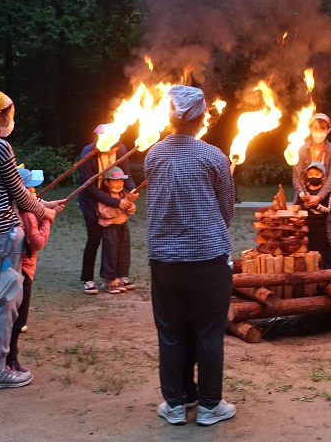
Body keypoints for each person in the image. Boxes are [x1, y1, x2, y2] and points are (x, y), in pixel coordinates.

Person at [0, 90, 64, 391]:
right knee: (4, 301)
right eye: (11, 114)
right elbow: (20, 195)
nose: (12, 120)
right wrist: (46, 213)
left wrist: (42, 205)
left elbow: (4, 192)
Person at [145, 85, 237, 426]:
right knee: (208, 332)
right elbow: (226, 208)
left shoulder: (154, 155)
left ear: (170, 117)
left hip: (165, 262)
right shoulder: (214, 157)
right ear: (200, 118)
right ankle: (210, 405)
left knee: (171, 333)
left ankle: (176, 402)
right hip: (207, 259)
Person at [78, 125, 139, 295]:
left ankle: (117, 276)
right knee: (94, 239)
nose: (113, 151)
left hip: (114, 200)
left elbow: (126, 174)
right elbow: (89, 187)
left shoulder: (121, 150)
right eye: (111, 148)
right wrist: (116, 202)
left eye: (115, 148)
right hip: (92, 203)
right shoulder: (88, 154)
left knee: (116, 240)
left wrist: (132, 190)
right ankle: (88, 279)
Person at [6, 167, 52, 372]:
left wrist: (47, 208)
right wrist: (47, 220)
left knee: (10, 314)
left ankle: (5, 357)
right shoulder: (27, 214)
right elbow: (37, 242)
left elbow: (38, 204)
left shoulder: (12, 207)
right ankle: (10, 359)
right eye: (31, 188)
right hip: (23, 269)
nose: (35, 191)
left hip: (11, 266)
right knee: (18, 317)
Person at [292, 113, 331, 268]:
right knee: (301, 234)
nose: (318, 132)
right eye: (315, 128)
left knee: (329, 236)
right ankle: (304, 269)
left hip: (325, 199)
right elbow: (297, 175)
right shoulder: (302, 149)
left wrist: (319, 197)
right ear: (310, 129)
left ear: (328, 130)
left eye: (322, 129)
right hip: (304, 199)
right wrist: (302, 193)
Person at [97, 166, 137, 294]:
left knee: (124, 252)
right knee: (110, 253)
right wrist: (121, 206)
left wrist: (129, 204)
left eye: (121, 181)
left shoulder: (123, 195)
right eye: (115, 181)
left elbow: (131, 210)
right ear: (106, 182)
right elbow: (105, 213)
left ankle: (122, 276)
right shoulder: (104, 197)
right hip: (110, 228)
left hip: (122, 226)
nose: (119, 184)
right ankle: (109, 280)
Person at [297, 162, 331, 265]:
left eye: (317, 174)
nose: (313, 176)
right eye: (310, 174)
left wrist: (315, 204)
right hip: (305, 225)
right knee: (306, 248)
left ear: (323, 176)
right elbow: (297, 207)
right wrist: (305, 205)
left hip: (320, 227)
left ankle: (321, 271)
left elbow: (327, 209)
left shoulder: (326, 192)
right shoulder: (304, 191)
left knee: (320, 251)